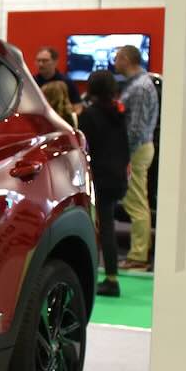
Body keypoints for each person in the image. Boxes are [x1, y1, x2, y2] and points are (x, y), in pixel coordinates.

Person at [79, 70, 129, 297]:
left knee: (100, 228)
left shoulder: (89, 115)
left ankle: (107, 279)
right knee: (106, 227)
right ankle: (111, 276)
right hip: (116, 175)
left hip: (99, 177)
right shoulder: (119, 113)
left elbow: (86, 148)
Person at [114, 44, 159, 270]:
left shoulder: (140, 88)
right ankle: (139, 253)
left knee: (136, 202)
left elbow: (136, 128)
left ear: (126, 59)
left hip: (137, 149)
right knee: (138, 200)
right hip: (140, 148)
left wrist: (126, 155)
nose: (114, 62)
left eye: (117, 58)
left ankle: (138, 256)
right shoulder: (139, 84)